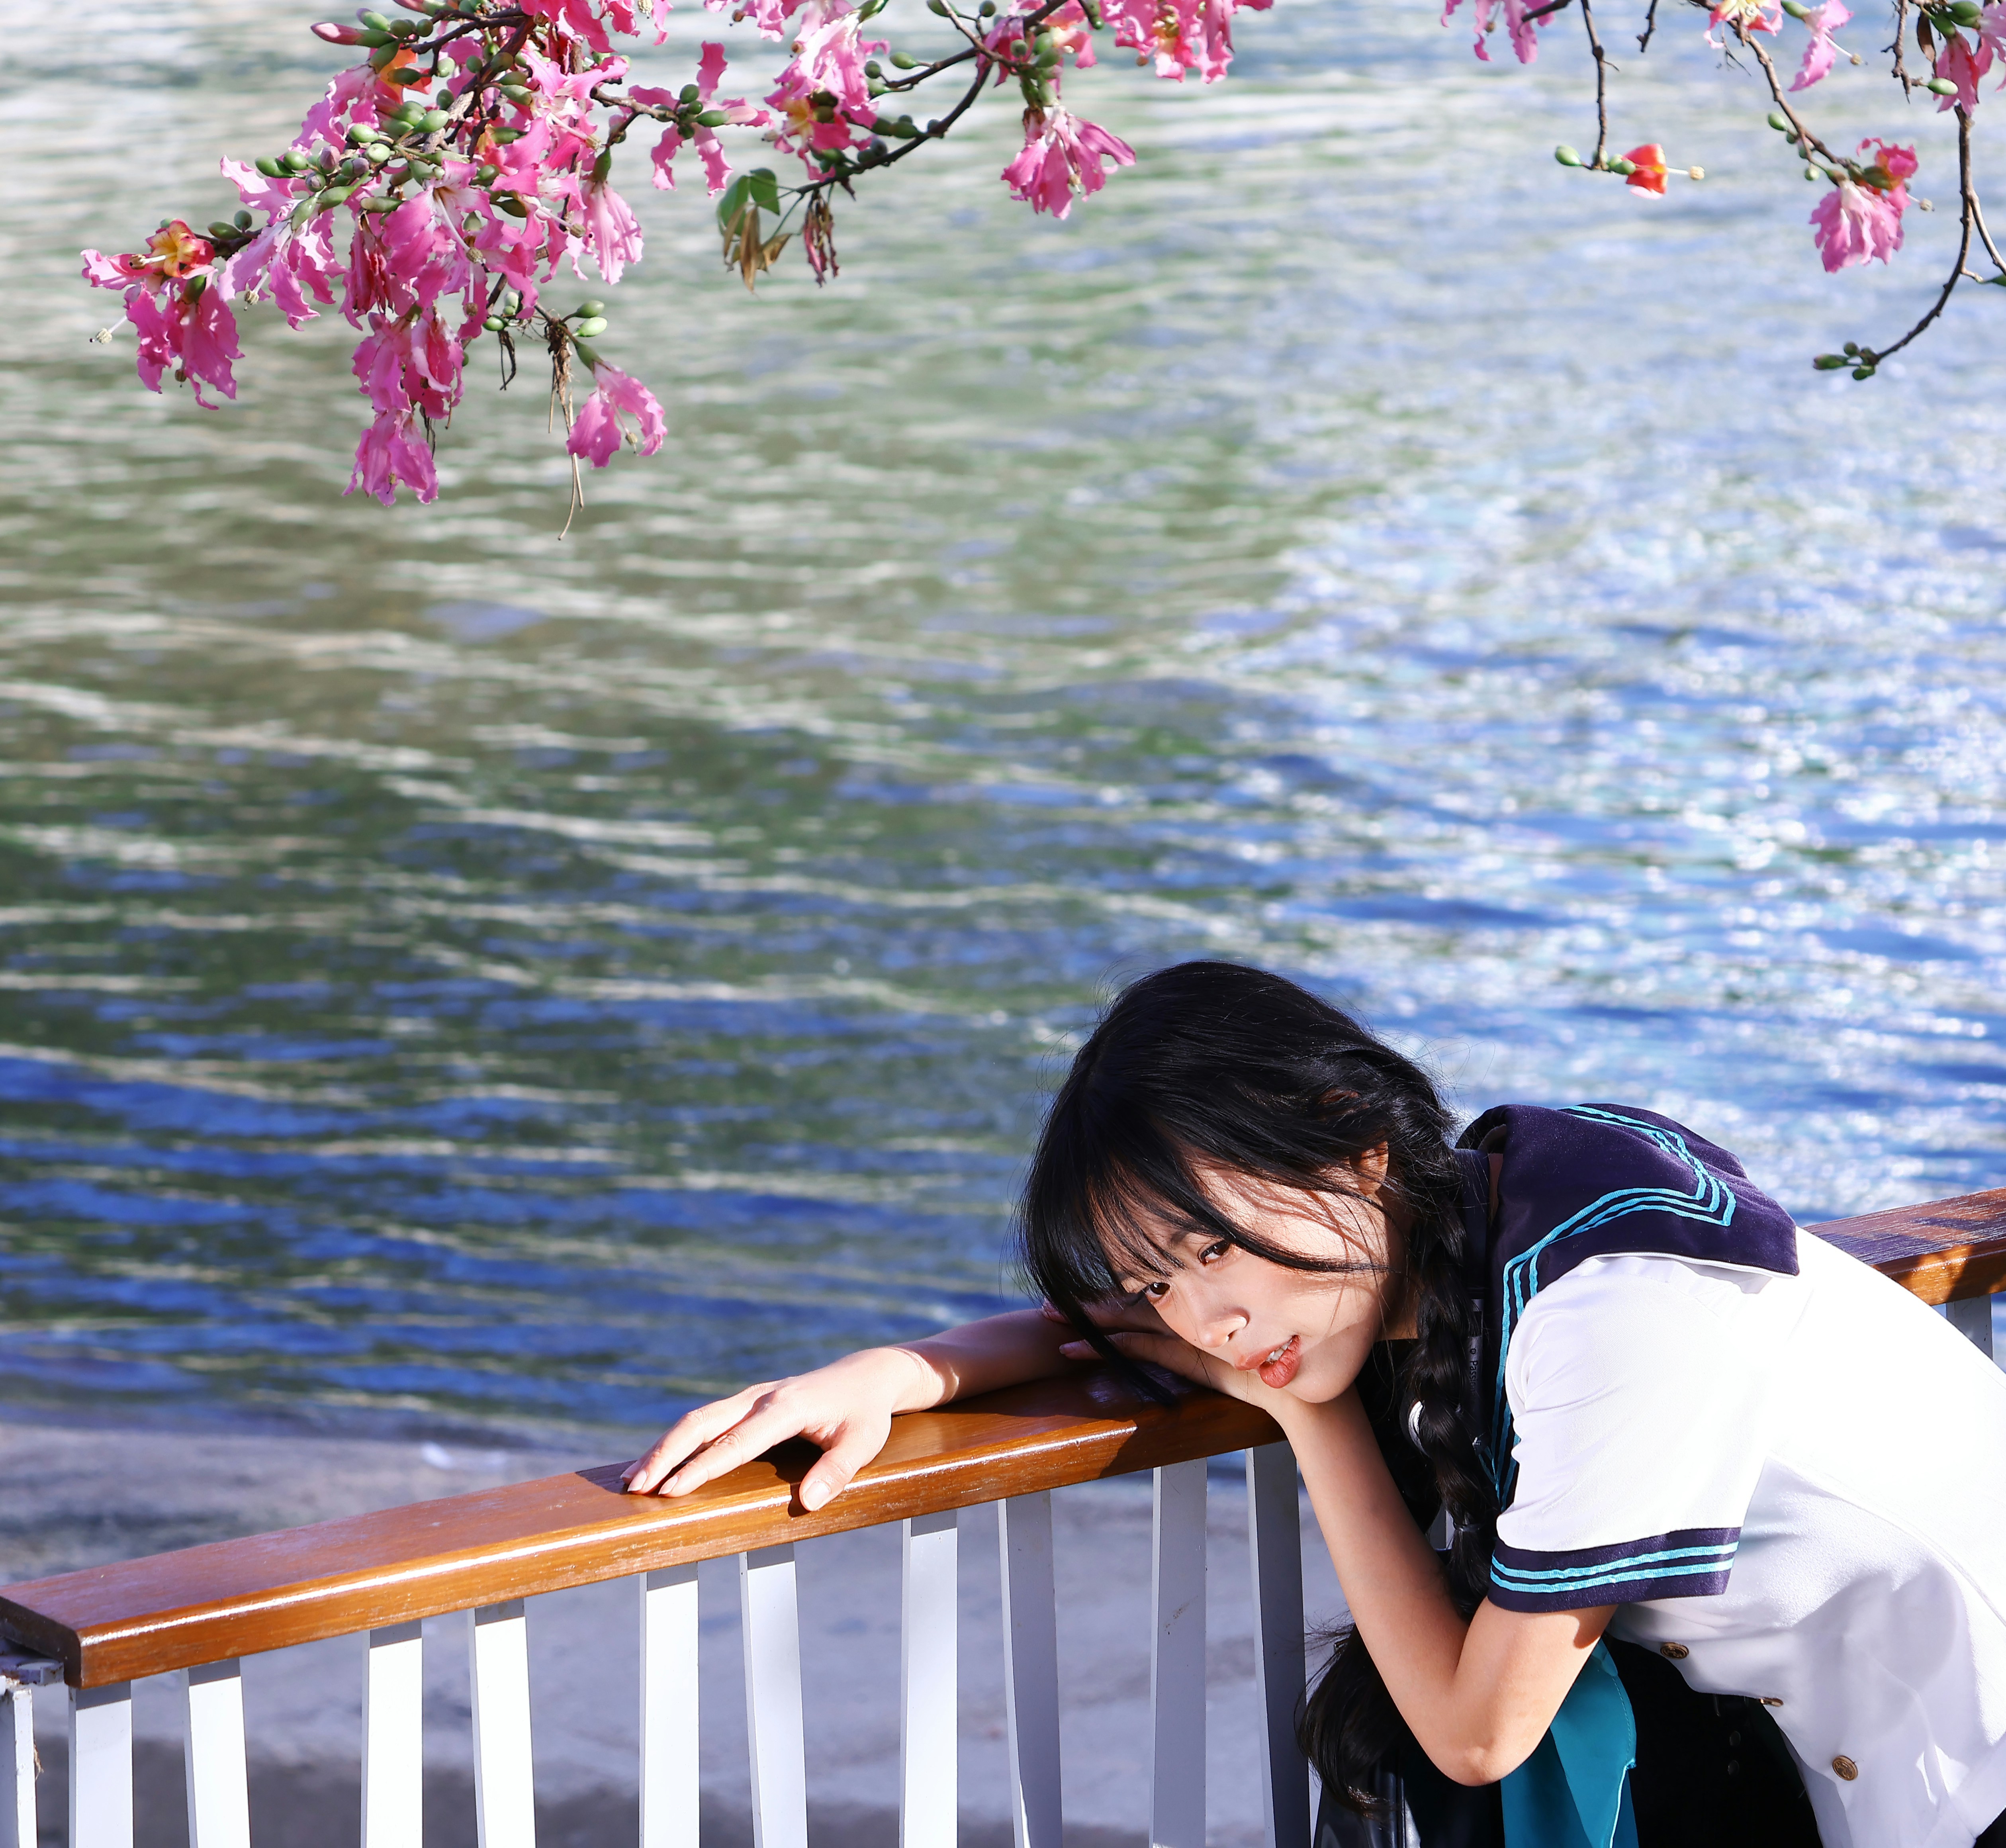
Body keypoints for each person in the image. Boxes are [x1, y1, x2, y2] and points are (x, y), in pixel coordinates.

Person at [623, 961, 2006, 1848]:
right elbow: (1111, 1326)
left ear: (1353, 1141)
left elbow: (1479, 1733)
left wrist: (1313, 1420)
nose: (1207, 1324)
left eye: (1212, 1247)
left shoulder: (1618, 1303)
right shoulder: (1473, 1226)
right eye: (1158, 1281)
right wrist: (904, 1373)